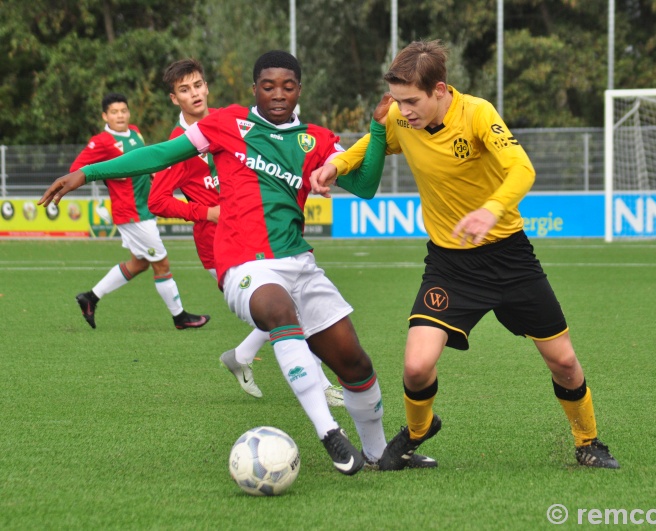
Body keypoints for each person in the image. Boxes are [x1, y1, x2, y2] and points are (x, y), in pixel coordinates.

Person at [40, 51, 435, 475]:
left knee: (355, 363)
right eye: (268, 86)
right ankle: (328, 432)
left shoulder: (316, 140)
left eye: (288, 86)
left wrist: (377, 129)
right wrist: (88, 174)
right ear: (254, 90)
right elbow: (159, 155)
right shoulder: (226, 124)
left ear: (299, 90)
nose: (278, 95)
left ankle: (378, 455)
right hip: (243, 266)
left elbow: (364, 185)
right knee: (277, 310)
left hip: (299, 263)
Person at [311, 39, 619, 470]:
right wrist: (336, 166)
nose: (403, 111)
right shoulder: (403, 119)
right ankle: (418, 431)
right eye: (397, 101)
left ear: (440, 90)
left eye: (412, 100)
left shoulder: (476, 113)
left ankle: (588, 442)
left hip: (509, 258)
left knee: (564, 361)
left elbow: (522, 169)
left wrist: (491, 210)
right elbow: (366, 146)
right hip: (450, 265)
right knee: (417, 367)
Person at [152, 58, 344, 406]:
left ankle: (242, 358)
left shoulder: (236, 121)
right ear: (174, 98)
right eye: (184, 90)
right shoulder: (178, 144)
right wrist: (206, 212)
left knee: (287, 308)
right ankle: (321, 388)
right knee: (288, 310)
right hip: (220, 247)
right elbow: (157, 200)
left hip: (262, 236)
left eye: (197, 85)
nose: (194, 94)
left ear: (207, 87)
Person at [70, 93, 209, 330]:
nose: (120, 115)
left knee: (140, 263)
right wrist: (111, 173)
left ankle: (90, 298)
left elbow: (143, 162)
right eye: (114, 112)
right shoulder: (101, 142)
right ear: (105, 116)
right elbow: (77, 169)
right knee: (161, 264)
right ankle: (180, 317)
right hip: (132, 212)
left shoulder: (134, 132)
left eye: (123, 110)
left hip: (145, 208)